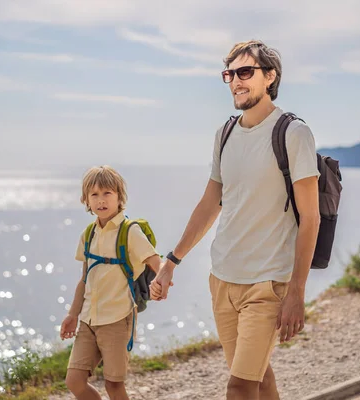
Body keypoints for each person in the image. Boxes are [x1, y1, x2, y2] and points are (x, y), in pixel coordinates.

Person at [150, 40, 321, 400]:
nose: (236, 81)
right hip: (223, 281)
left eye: (246, 72)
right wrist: (172, 261)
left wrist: (297, 291)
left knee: (239, 388)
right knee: (258, 379)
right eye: (230, 74)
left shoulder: (293, 133)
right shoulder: (225, 134)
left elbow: (311, 218)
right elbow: (211, 201)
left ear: (270, 76)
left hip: (267, 285)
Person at [60, 165, 162, 400]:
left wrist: (161, 285)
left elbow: (157, 265)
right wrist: (72, 314)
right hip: (88, 319)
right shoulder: (89, 234)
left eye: (107, 193)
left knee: (114, 386)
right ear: (86, 200)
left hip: (118, 319)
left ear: (119, 196)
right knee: (74, 381)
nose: (101, 200)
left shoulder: (130, 232)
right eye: (94, 195)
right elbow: (84, 279)